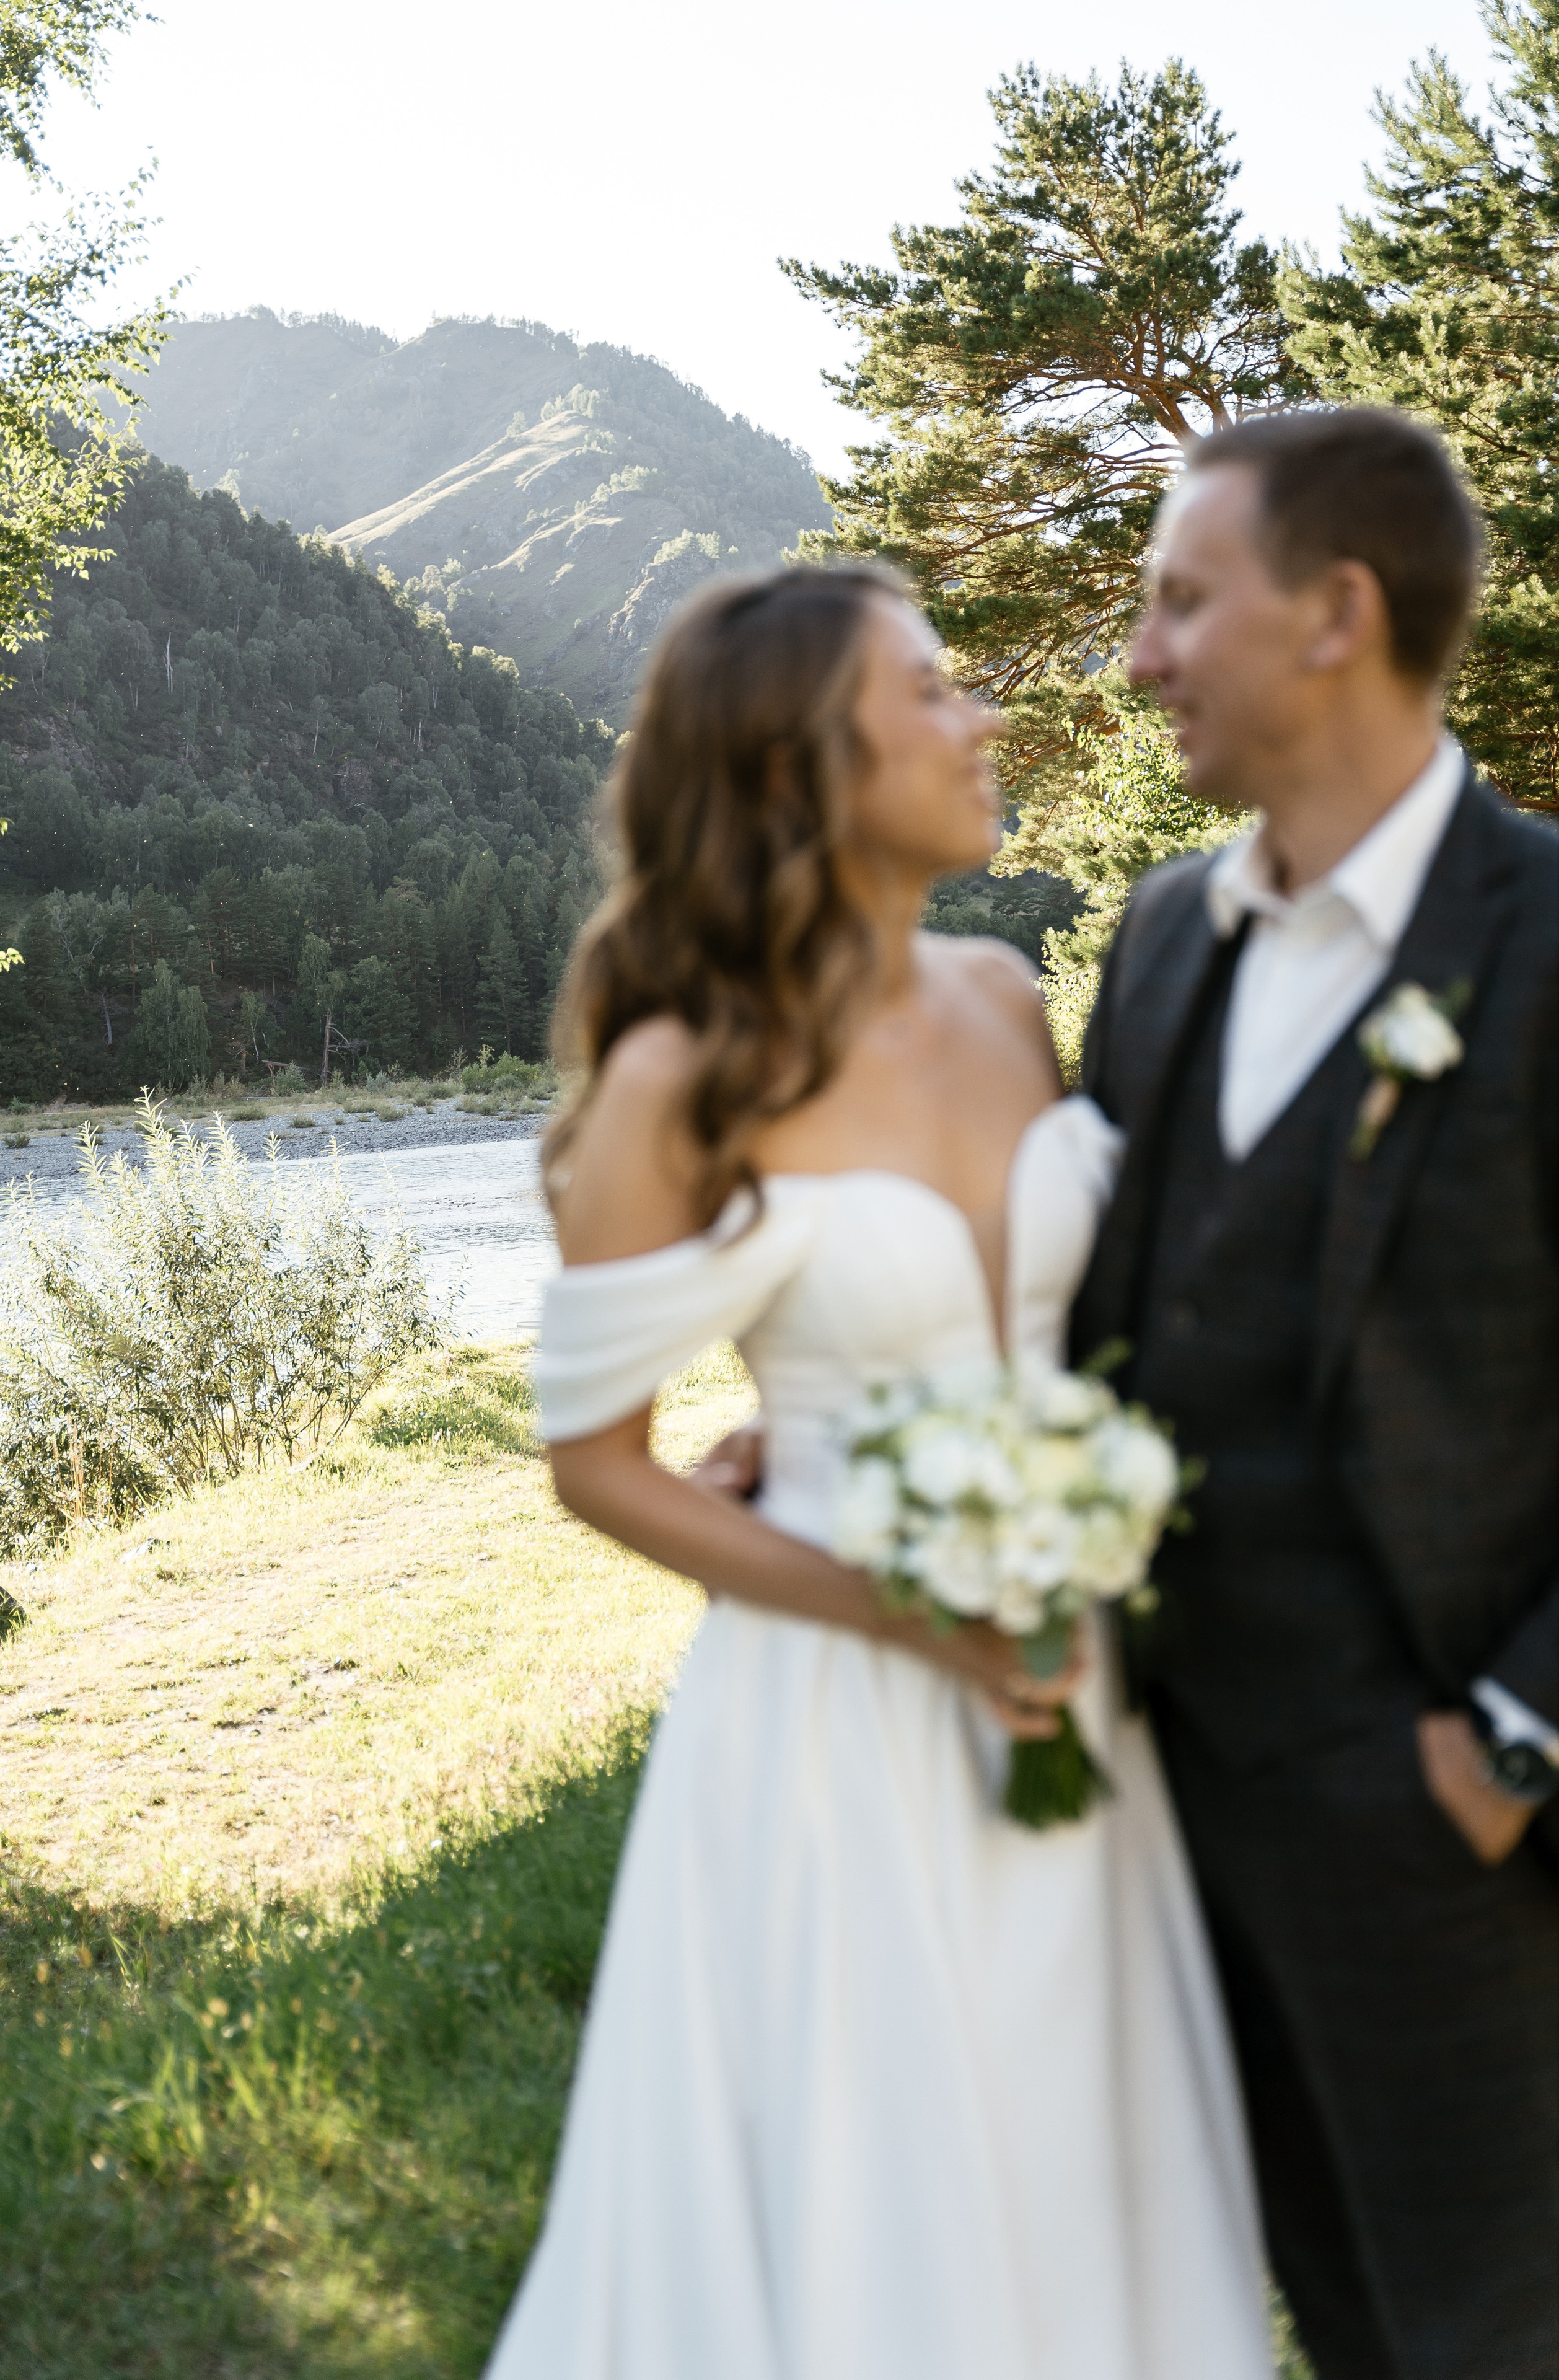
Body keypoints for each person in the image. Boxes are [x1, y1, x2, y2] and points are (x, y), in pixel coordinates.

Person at [482, 566, 1273, 2378]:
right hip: (839, 1717)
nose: (983, 717)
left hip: (1077, 1687)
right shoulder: (685, 1075)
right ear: (800, 767)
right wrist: (907, 1613)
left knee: (1085, 2182)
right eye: (931, 690)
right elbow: (595, 1464)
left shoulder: (1006, 998)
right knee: (876, 2201)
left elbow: (1074, 1324)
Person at [1073, 408, 1559, 2380]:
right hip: (1161, 1809)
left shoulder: (1547, 938)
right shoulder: (1163, 933)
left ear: (1340, 611)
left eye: (1184, 600)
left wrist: (1513, 1740)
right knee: (1320, 2323)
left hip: (1456, 1839)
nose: (1139, 655)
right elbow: (1089, 1303)